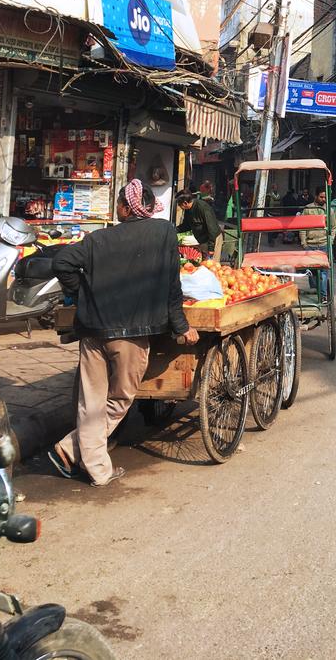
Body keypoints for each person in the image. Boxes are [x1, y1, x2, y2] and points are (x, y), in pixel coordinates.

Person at [50, 180, 198, 486]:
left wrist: (83, 296)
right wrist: (181, 327)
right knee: (119, 399)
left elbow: (62, 262)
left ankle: (92, 465)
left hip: (93, 332)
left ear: (127, 207)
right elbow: (173, 287)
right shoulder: (164, 232)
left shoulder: (98, 239)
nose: (117, 209)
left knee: (91, 402)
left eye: (118, 204)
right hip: (130, 336)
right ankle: (72, 451)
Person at [300, 187, 336, 299]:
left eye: (325, 197)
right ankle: (315, 292)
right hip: (310, 245)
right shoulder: (308, 209)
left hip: (324, 245)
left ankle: (323, 296)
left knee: (323, 272)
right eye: (321, 197)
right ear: (316, 196)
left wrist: (330, 241)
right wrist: (304, 243)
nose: (324, 199)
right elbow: (302, 227)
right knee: (312, 272)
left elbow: (333, 227)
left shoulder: (329, 210)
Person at [177, 189, 221, 258]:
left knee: (211, 266)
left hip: (212, 239)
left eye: (180, 205)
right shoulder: (188, 210)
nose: (179, 207)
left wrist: (211, 248)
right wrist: (174, 230)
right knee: (204, 264)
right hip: (203, 241)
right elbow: (186, 226)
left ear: (185, 203)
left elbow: (212, 228)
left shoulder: (203, 207)